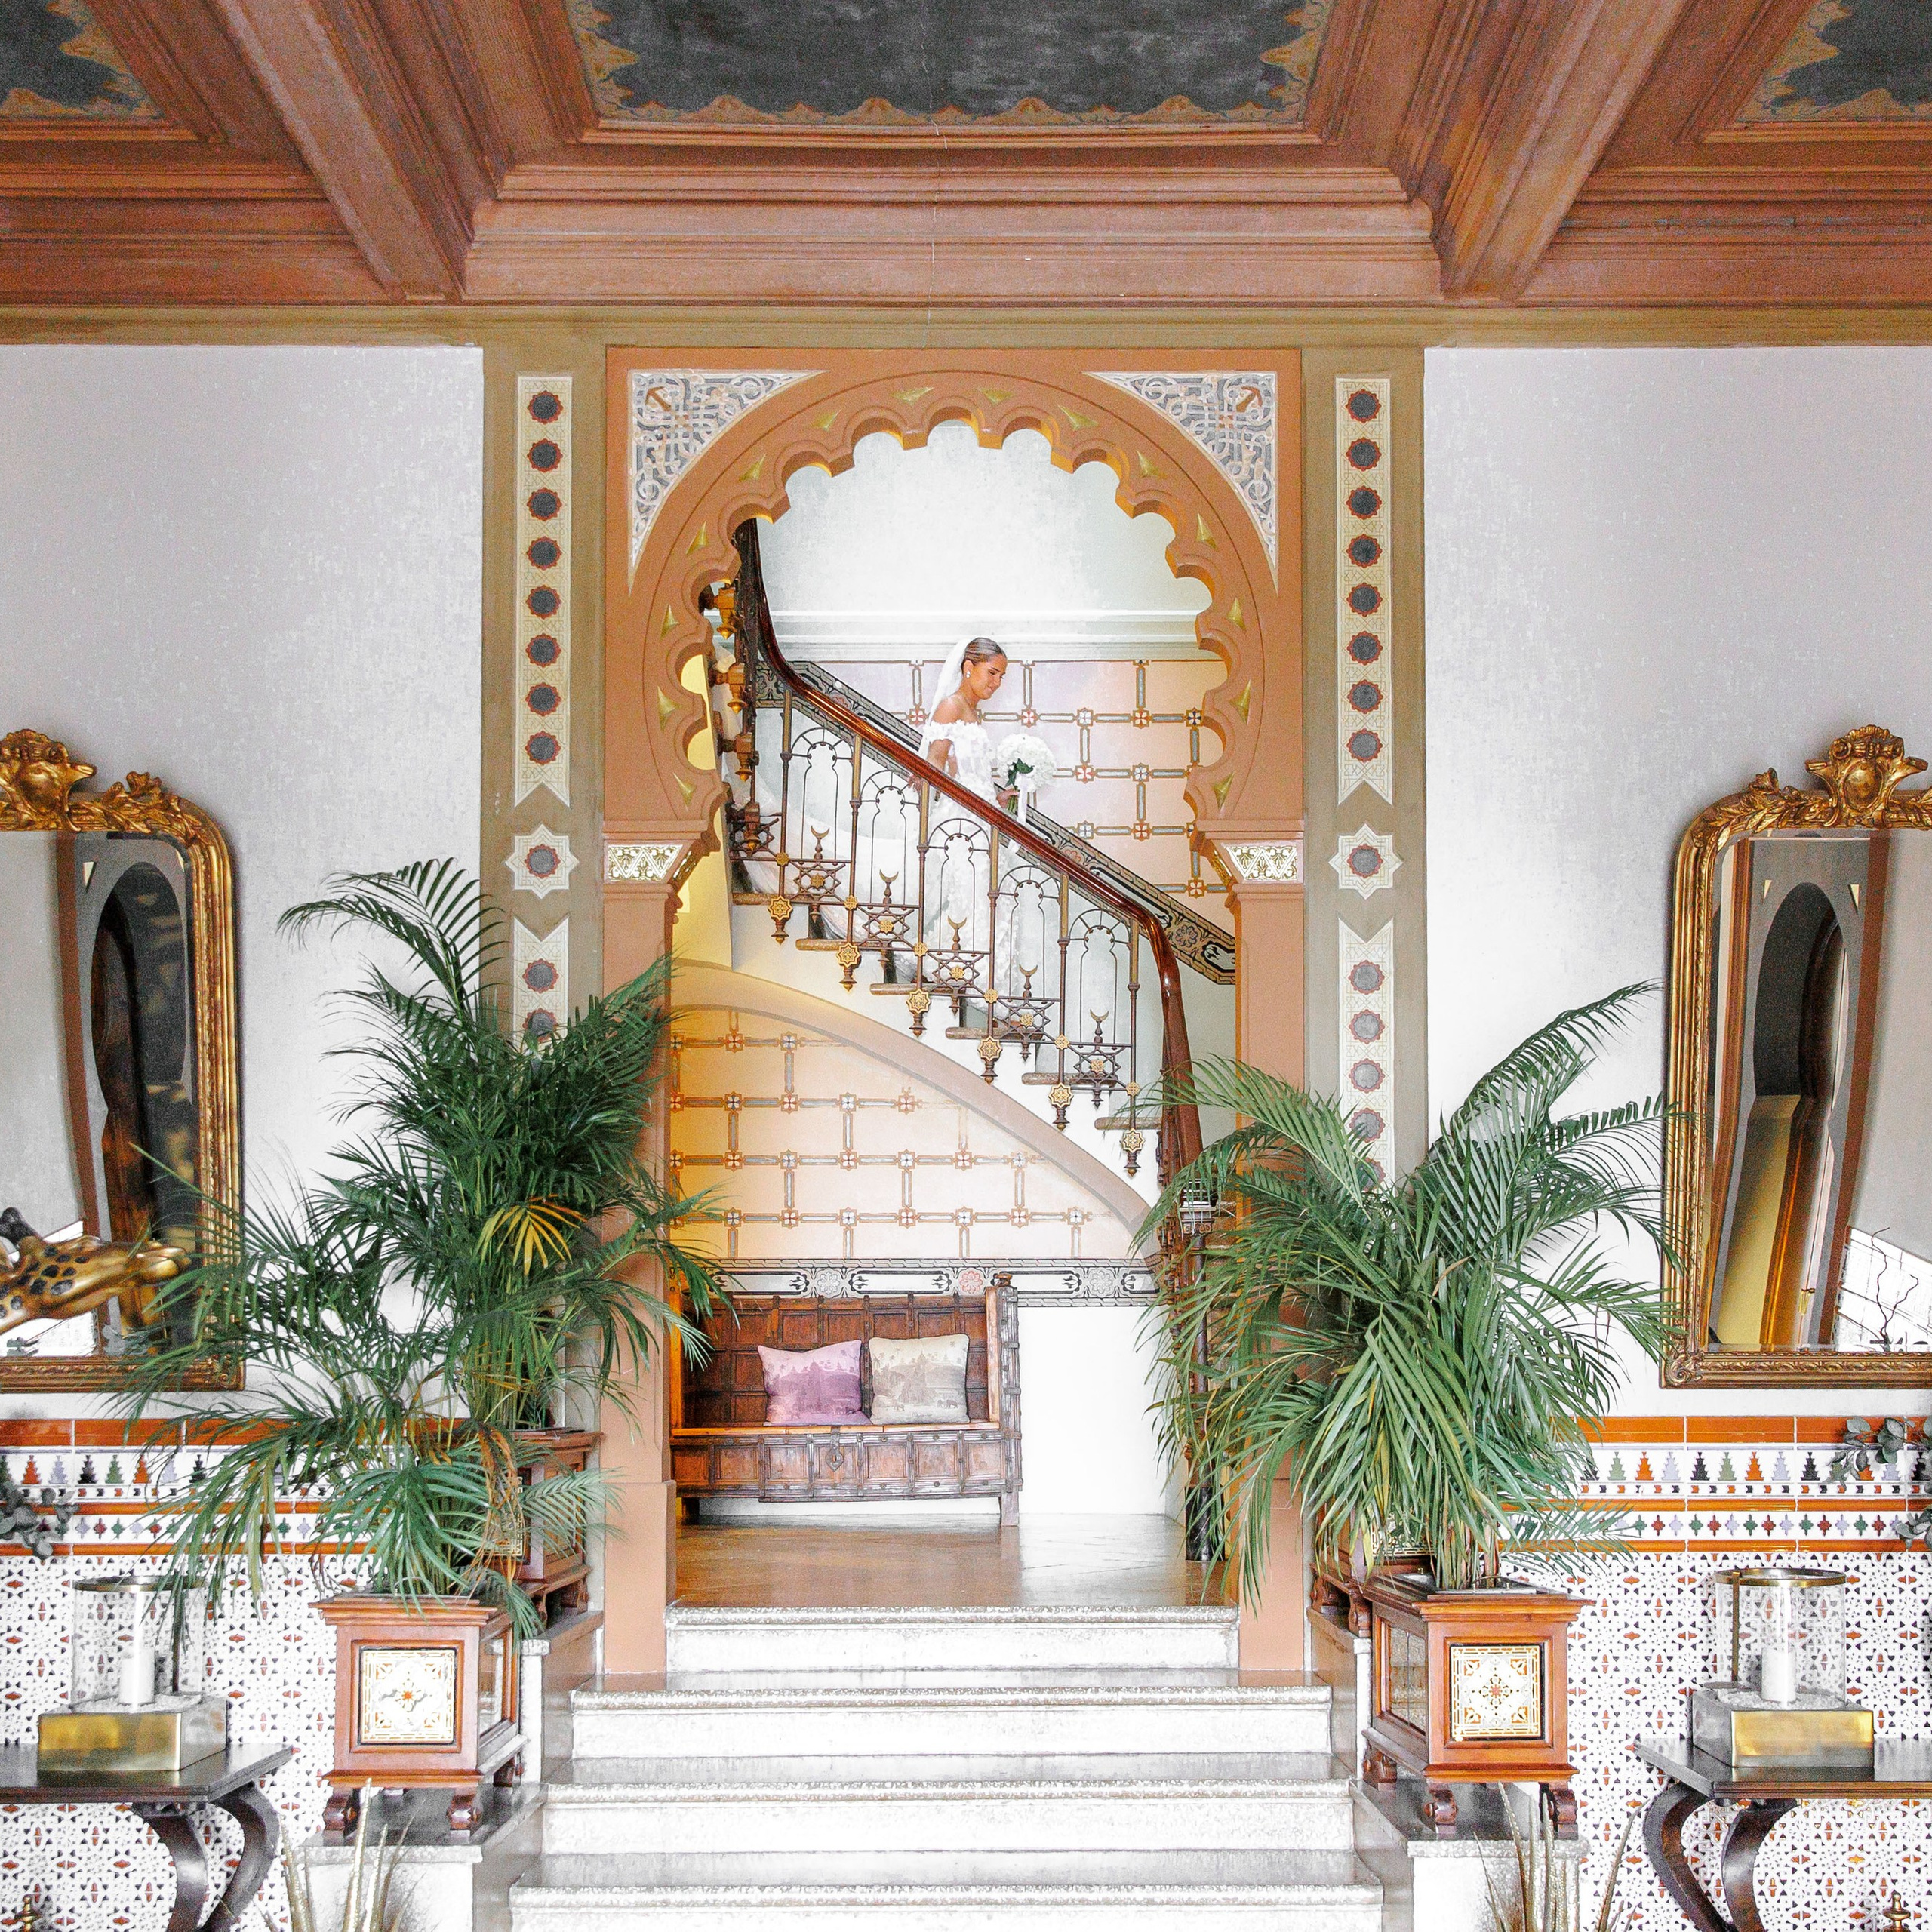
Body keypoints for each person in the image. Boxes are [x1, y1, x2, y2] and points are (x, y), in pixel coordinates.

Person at [918, 637, 1017, 811]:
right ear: (969, 667)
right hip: (958, 818)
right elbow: (935, 762)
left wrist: (995, 800)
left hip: (976, 816)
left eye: (1001, 676)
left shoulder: (970, 711)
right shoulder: (951, 706)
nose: (998, 683)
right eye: (992, 673)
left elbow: (968, 775)